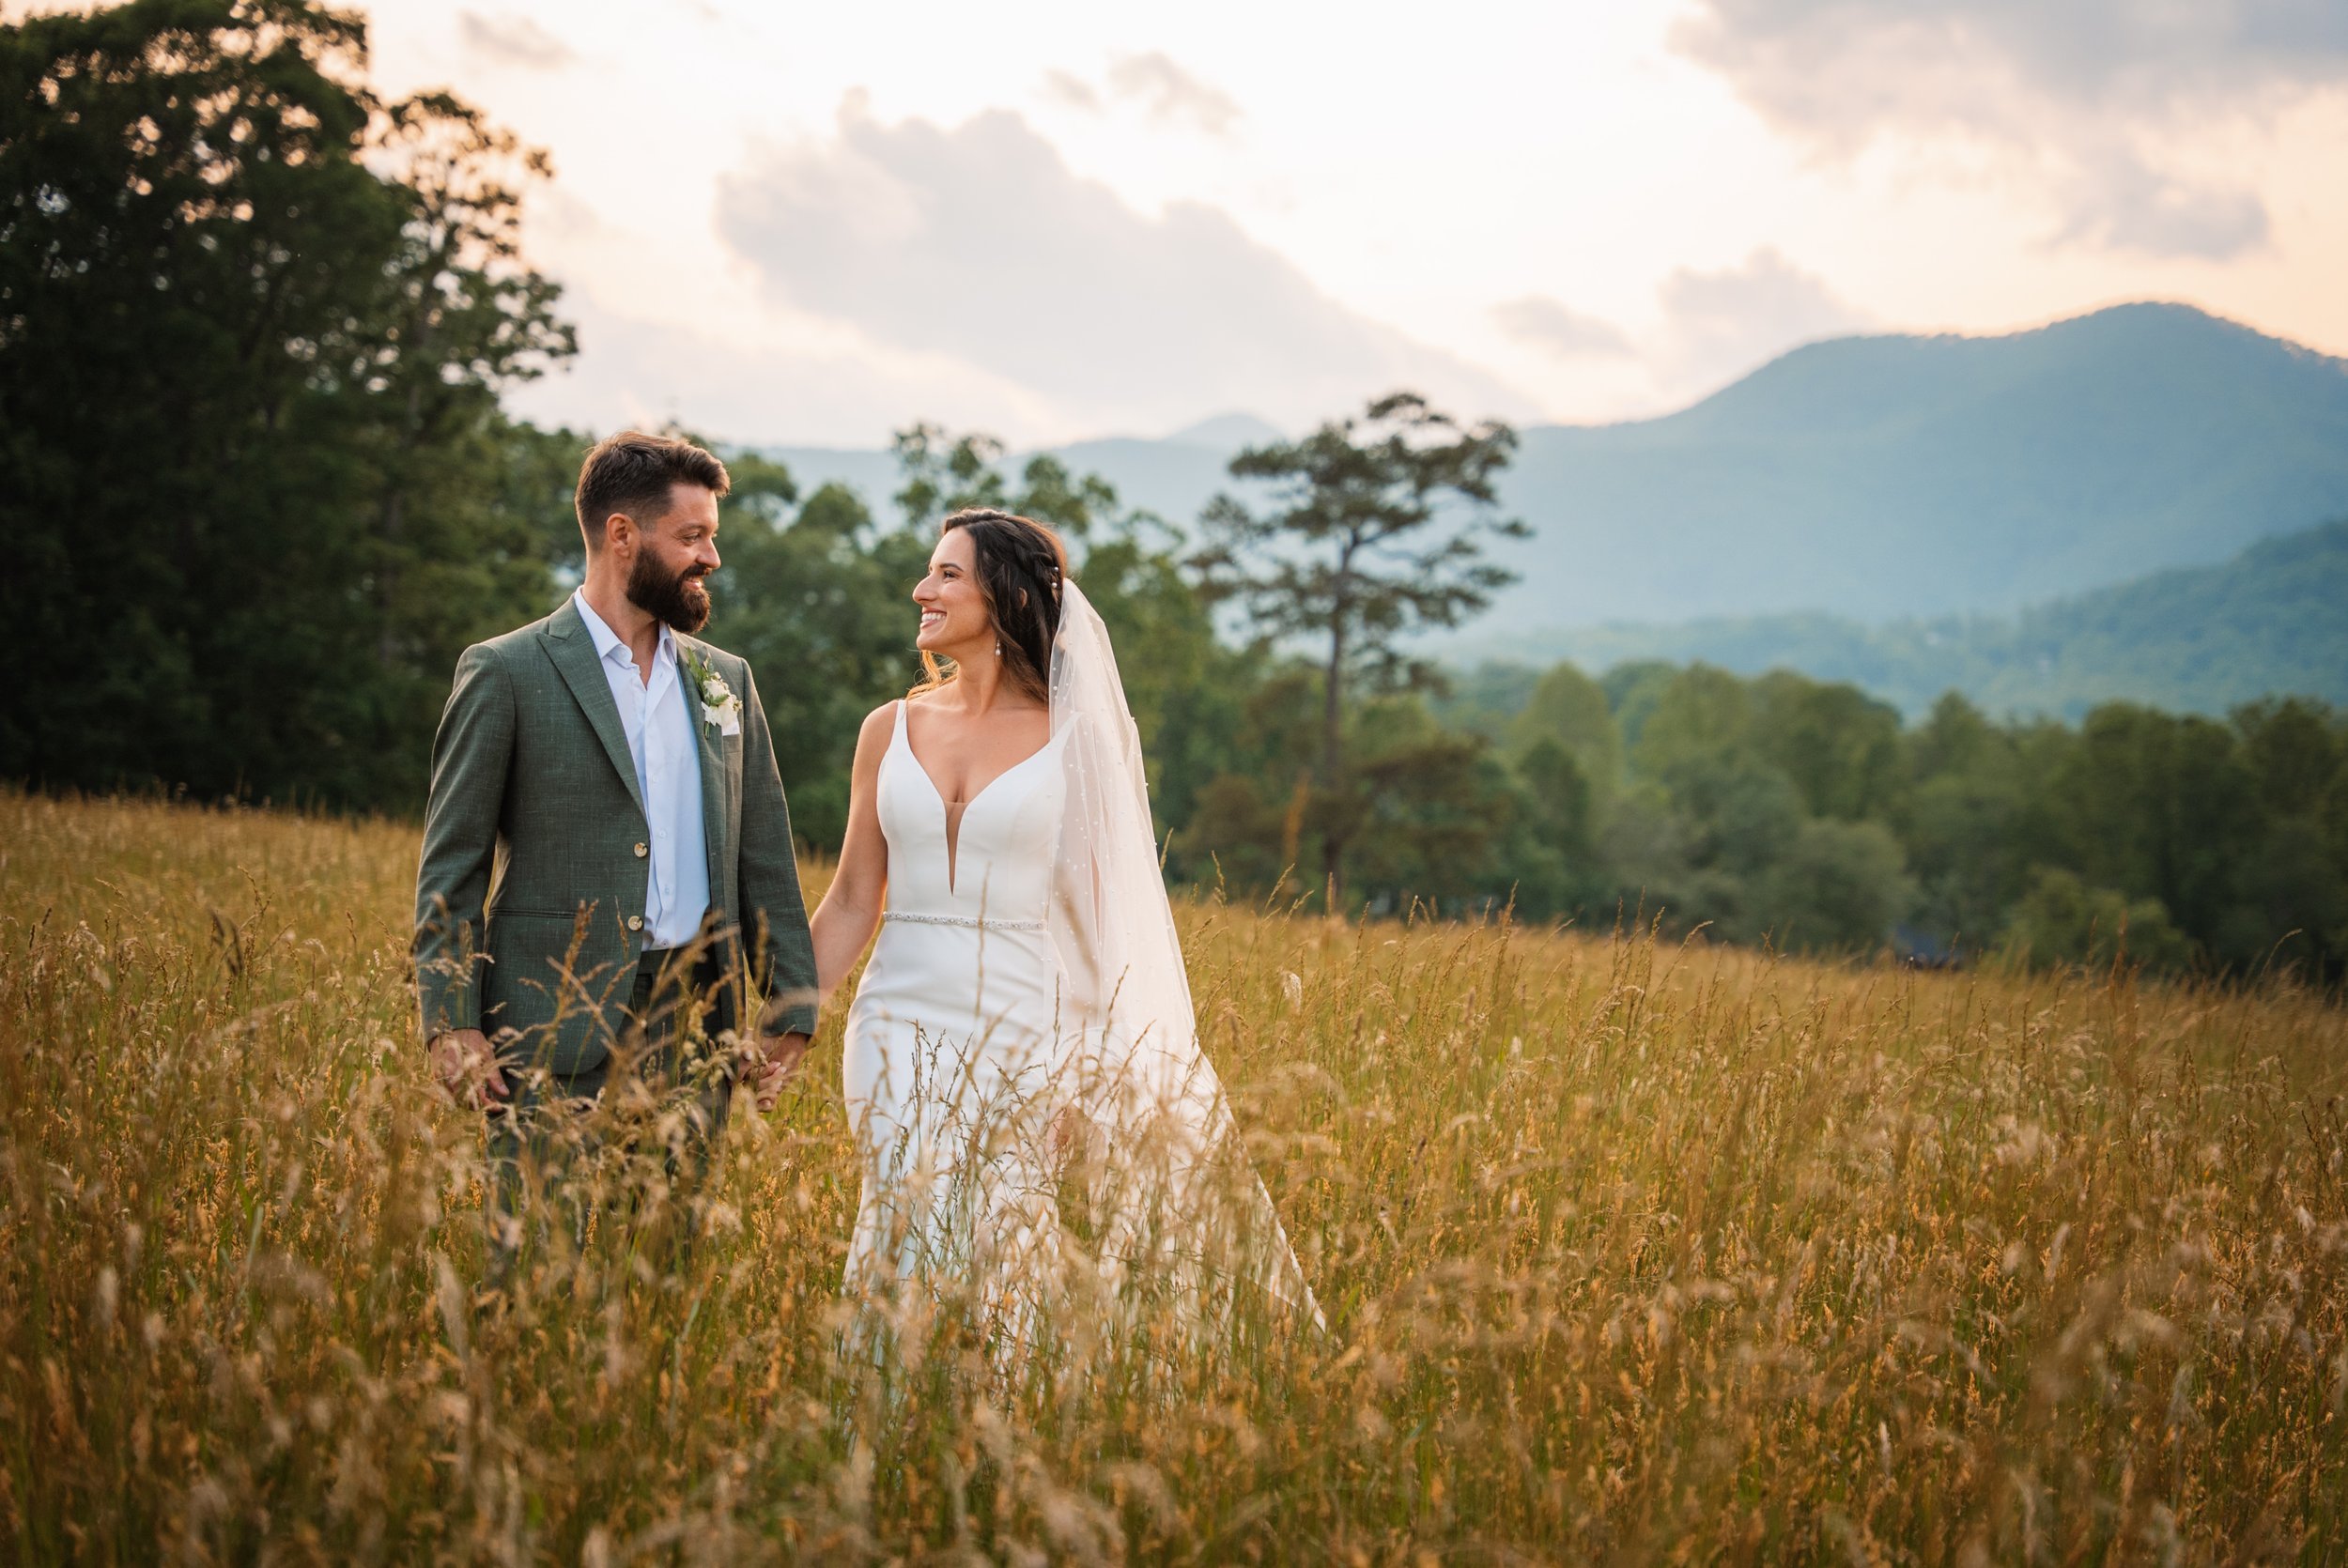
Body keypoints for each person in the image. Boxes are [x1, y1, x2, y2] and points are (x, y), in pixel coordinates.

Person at [809, 507, 1318, 1355]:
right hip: (894, 1023)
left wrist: (1082, 1079)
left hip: (1025, 1032)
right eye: (929, 572)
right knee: (898, 1225)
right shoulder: (887, 730)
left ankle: (1005, 1426)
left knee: (1004, 1239)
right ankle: (885, 1431)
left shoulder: (1073, 741)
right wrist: (790, 1018)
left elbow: (1096, 927)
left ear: (1003, 595)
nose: (921, 590)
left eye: (946, 575)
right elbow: (854, 898)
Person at [412, 431, 817, 1286]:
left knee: (665, 1269)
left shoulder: (725, 682)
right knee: (529, 1268)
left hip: (693, 1018)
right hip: (546, 1021)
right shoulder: (507, 671)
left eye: (711, 535)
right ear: (623, 535)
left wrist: (792, 1009)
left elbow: (764, 856)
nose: (710, 556)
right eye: (693, 536)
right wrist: (452, 1020)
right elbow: (451, 867)